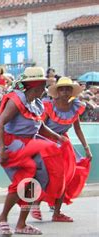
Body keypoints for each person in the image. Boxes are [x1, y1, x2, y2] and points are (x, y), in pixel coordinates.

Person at [0, 67, 66, 235]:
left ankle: (21, 224)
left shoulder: (36, 103)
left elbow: (38, 126)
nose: (45, 89)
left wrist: (57, 137)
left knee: (34, 184)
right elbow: (0, 124)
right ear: (35, 86)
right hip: (12, 146)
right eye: (43, 85)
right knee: (25, 180)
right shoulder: (16, 100)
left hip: (30, 145)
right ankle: (2, 218)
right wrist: (3, 149)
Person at [29, 77, 92, 222]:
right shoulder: (48, 106)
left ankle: (57, 212)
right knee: (47, 176)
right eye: (62, 89)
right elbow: (39, 128)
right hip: (45, 143)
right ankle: (35, 204)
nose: (65, 91)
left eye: (68, 89)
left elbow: (78, 129)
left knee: (67, 177)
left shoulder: (75, 106)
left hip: (63, 145)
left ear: (72, 92)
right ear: (57, 91)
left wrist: (86, 148)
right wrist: (54, 138)